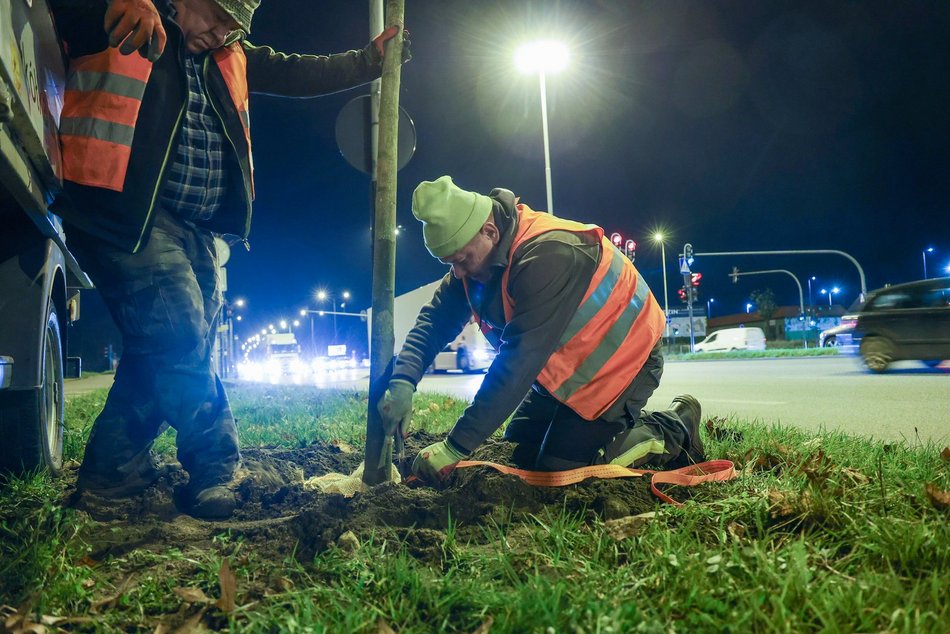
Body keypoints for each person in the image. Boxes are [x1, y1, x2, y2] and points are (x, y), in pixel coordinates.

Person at [50, 0, 406, 518]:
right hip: (127, 214)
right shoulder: (127, 16)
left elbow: (297, 72)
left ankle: (112, 478)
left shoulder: (230, 54)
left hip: (197, 229)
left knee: (162, 353)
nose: (220, 35)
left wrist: (369, 62)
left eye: (232, 28)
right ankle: (217, 467)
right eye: (215, 19)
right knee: (179, 338)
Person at [378, 176, 705, 484]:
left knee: (560, 472)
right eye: (450, 264)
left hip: (626, 363)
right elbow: (434, 322)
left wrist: (454, 448)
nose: (458, 271)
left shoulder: (548, 254)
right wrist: (403, 380)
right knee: (518, 451)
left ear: (490, 231)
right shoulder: (475, 258)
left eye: (462, 259)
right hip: (569, 373)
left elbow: (518, 363)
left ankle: (674, 428)